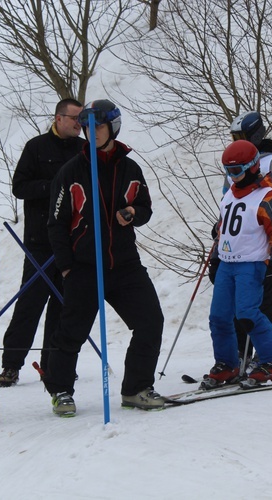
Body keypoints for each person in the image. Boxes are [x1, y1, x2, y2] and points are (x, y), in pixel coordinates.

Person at [44, 99, 165, 416]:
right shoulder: (70, 172)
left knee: (151, 321)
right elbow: (56, 224)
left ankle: (136, 388)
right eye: (87, 126)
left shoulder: (130, 168)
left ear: (113, 126)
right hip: (84, 267)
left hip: (124, 266)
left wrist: (132, 213)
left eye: (98, 125)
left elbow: (145, 208)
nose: (92, 131)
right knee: (71, 332)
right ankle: (61, 391)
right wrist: (67, 266)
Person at [0, 98, 85, 387]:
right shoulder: (36, 147)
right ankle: (11, 365)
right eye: (74, 118)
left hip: (70, 243)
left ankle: (54, 365)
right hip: (39, 242)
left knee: (64, 306)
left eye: (81, 119)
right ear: (59, 118)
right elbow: (19, 187)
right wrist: (54, 187)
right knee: (30, 304)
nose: (79, 124)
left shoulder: (83, 150)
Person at [210, 110, 272, 365]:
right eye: (233, 136)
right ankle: (239, 356)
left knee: (259, 303)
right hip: (235, 247)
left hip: (259, 245)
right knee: (230, 310)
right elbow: (228, 202)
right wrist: (222, 227)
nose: (236, 141)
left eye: (241, 136)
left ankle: (268, 355)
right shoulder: (233, 164)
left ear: (255, 134)